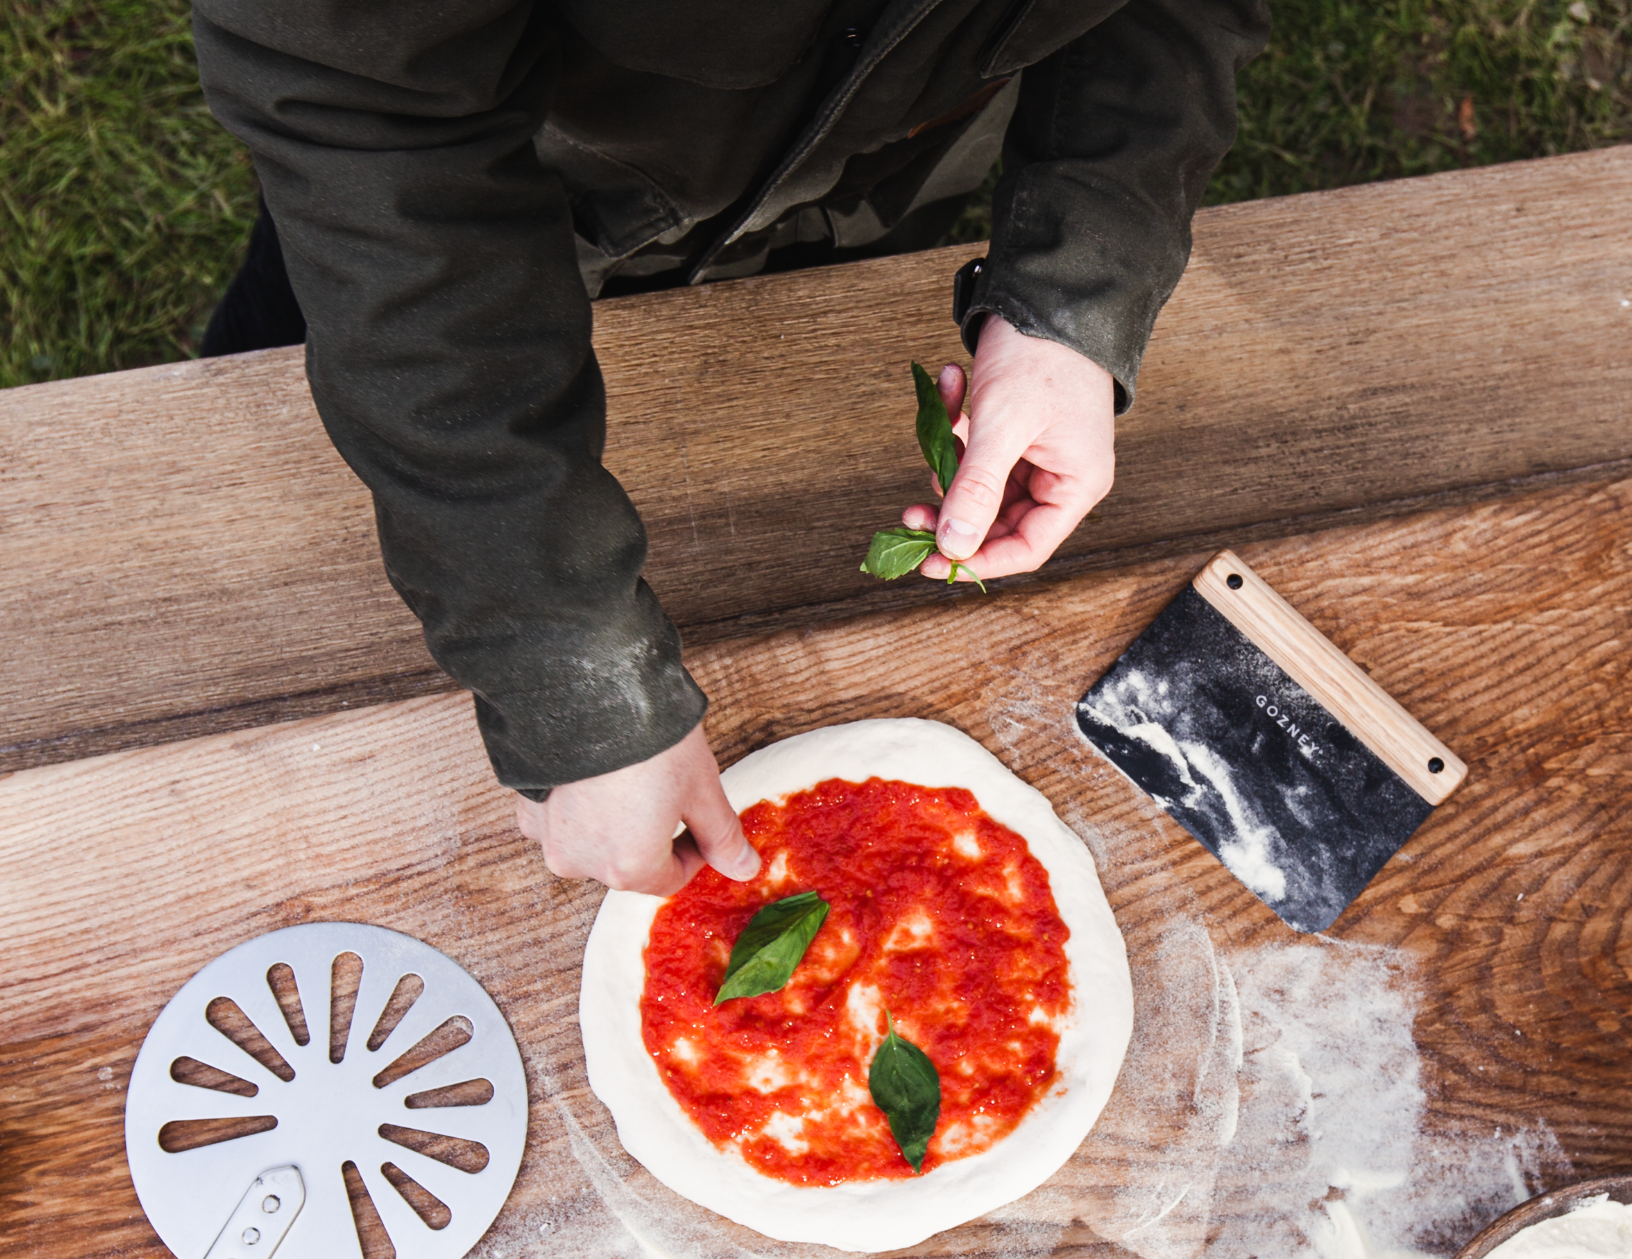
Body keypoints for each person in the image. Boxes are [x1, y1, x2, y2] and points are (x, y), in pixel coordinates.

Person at [194, 2, 1269, 893]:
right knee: (247, 610)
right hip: (466, 239)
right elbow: (366, 118)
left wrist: (1072, 296)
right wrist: (569, 675)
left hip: (868, 180)